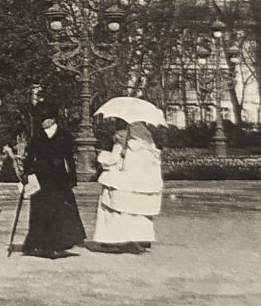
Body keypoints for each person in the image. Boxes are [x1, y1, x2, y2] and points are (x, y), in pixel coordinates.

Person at [19, 107, 86, 259]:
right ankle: (35, 244)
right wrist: (26, 172)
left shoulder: (64, 136)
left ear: (53, 119)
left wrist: (72, 178)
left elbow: (69, 159)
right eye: (41, 119)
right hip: (41, 177)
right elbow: (29, 156)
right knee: (40, 211)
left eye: (45, 119)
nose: (42, 122)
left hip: (59, 178)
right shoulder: (37, 136)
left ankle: (58, 245)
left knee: (59, 211)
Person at [90, 119, 164, 252]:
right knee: (136, 213)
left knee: (115, 211)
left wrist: (102, 157)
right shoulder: (148, 146)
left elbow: (114, 161)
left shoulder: (122, 145)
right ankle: (137, 238)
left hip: (121, 182)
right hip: (140, 185)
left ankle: (112, 239)